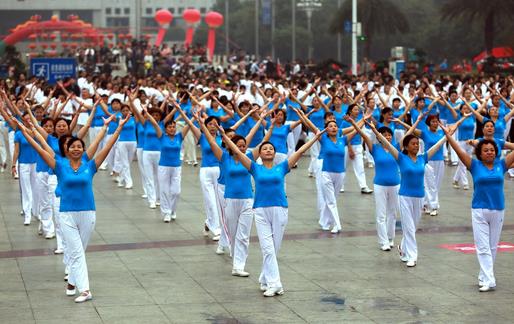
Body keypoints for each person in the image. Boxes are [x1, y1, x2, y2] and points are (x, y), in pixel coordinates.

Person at [16, 113, 129, 303]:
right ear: (66, 150)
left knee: (79, 251)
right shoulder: (58, 165)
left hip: (88, 213)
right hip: (66, 214)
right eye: (72, 146)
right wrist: (27, 129)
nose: (76, 149)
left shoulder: (90, 165)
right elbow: (38, 145)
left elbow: (107, 146)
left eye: (79, 146)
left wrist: (116, 128)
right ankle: (85, 290)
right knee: (75, 251)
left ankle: (71, 282)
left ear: (83, 149)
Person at [220, 122, 326, 297]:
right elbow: (238, 152)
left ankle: (264, 277)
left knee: (274, 249)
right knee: (267, 248)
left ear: (275, 153)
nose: (268, 150)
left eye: (270, 149)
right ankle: (276, 284)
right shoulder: (254, 167)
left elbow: (299, 152)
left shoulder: (282, 167)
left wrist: (315, 138)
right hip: (260, 211)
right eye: (264, 148)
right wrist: (225, 137)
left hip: (280, 209)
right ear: (259, 154)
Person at [440, 124, 514, 292]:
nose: (490, 152)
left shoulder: (501, 165)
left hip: (498, 209)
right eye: (486, 150)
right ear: (480, 154)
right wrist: (448, 135)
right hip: (479, 210)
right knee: (482, 246)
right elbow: (459, 150)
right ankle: (490, 279)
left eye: (492, 150)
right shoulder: (474, 166)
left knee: (493, 246)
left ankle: (484, 275)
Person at [370, 119, 450, 267]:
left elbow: (438, 146)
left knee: (412, 225)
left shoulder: (423, 158)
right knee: (409, 227)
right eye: (413, 144)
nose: (416, 146)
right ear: (406, 146)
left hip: (419, 197)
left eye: (418, 144)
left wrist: (447, 136)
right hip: (405, 196)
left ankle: (403, 247)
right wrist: (375, 131)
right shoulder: (400, 157)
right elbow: (387, 144)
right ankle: (412, 256)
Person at [348, 117, 400, 251]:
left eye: (389, 135)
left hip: (395, 184)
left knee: (393, 213)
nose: (387, 137)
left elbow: (410, 132)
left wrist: (416, 120)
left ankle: (390, 237)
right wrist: (354, 122)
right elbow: (363, 134)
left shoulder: (397, 148)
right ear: (379, 136)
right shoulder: (375, 148)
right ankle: (383, 242)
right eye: (385, 135)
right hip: (380, 185)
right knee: (381, 214)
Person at [145, 105, 188, 222]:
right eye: (170, 127)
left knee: (176, 191)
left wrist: (191, 116)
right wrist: (146, 112)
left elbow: (188, 124)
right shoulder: (161, 136)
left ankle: (173, 209)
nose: (172, 129)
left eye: (174, 127)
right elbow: (154, 123)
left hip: (176, 168)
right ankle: (166, 212)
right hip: (163, 167)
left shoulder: (180, 137)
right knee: (164, 190)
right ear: (165, 129)